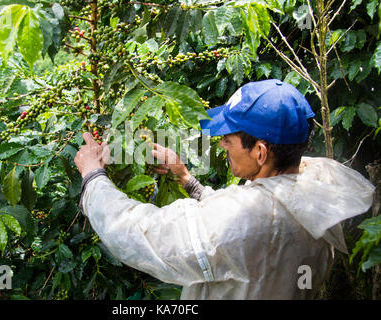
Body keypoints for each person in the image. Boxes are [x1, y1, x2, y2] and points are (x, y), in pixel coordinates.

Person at [74, 79, 375, 299]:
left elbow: (142, 234)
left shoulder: (249, 219)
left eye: (228, 140)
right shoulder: (317, 193)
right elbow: (250, 227)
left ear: (260, 152)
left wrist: (93, 176)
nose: (221, 145)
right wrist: (188, 181)